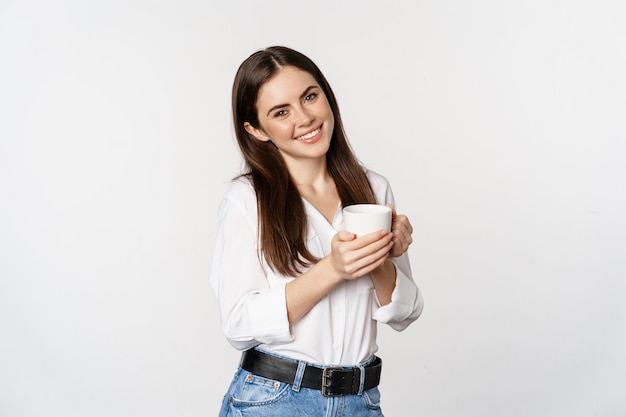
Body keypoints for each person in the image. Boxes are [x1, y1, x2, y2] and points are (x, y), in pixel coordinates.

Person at [209, 45, 424, 417]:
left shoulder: (373, 190)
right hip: (273, 401)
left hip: (361, 401)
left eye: (310, 96)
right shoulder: (247, 199)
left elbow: (406, 313)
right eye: (281, 112)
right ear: (256, 129)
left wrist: (380, 256)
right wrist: (333, 269)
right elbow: (239, 324)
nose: (305, 118)